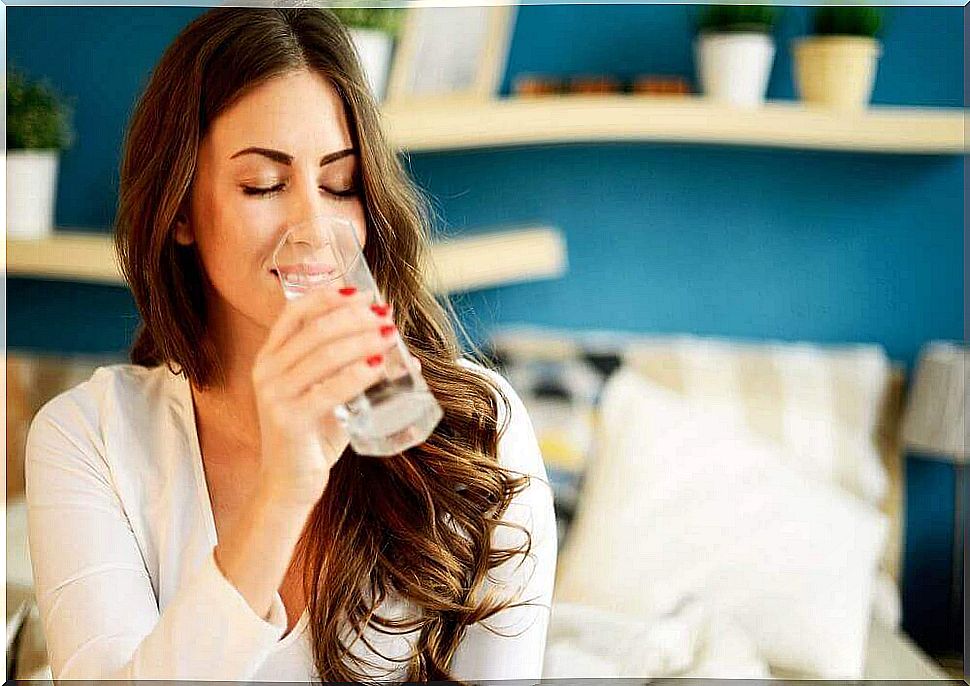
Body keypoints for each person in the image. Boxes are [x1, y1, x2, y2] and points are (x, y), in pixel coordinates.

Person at [24, 7, 556, 682]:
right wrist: (282, 492)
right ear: (181, 209)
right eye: (264, 185)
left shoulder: (478, 433)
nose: (314, 226)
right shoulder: (89, 437)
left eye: (340, 185)